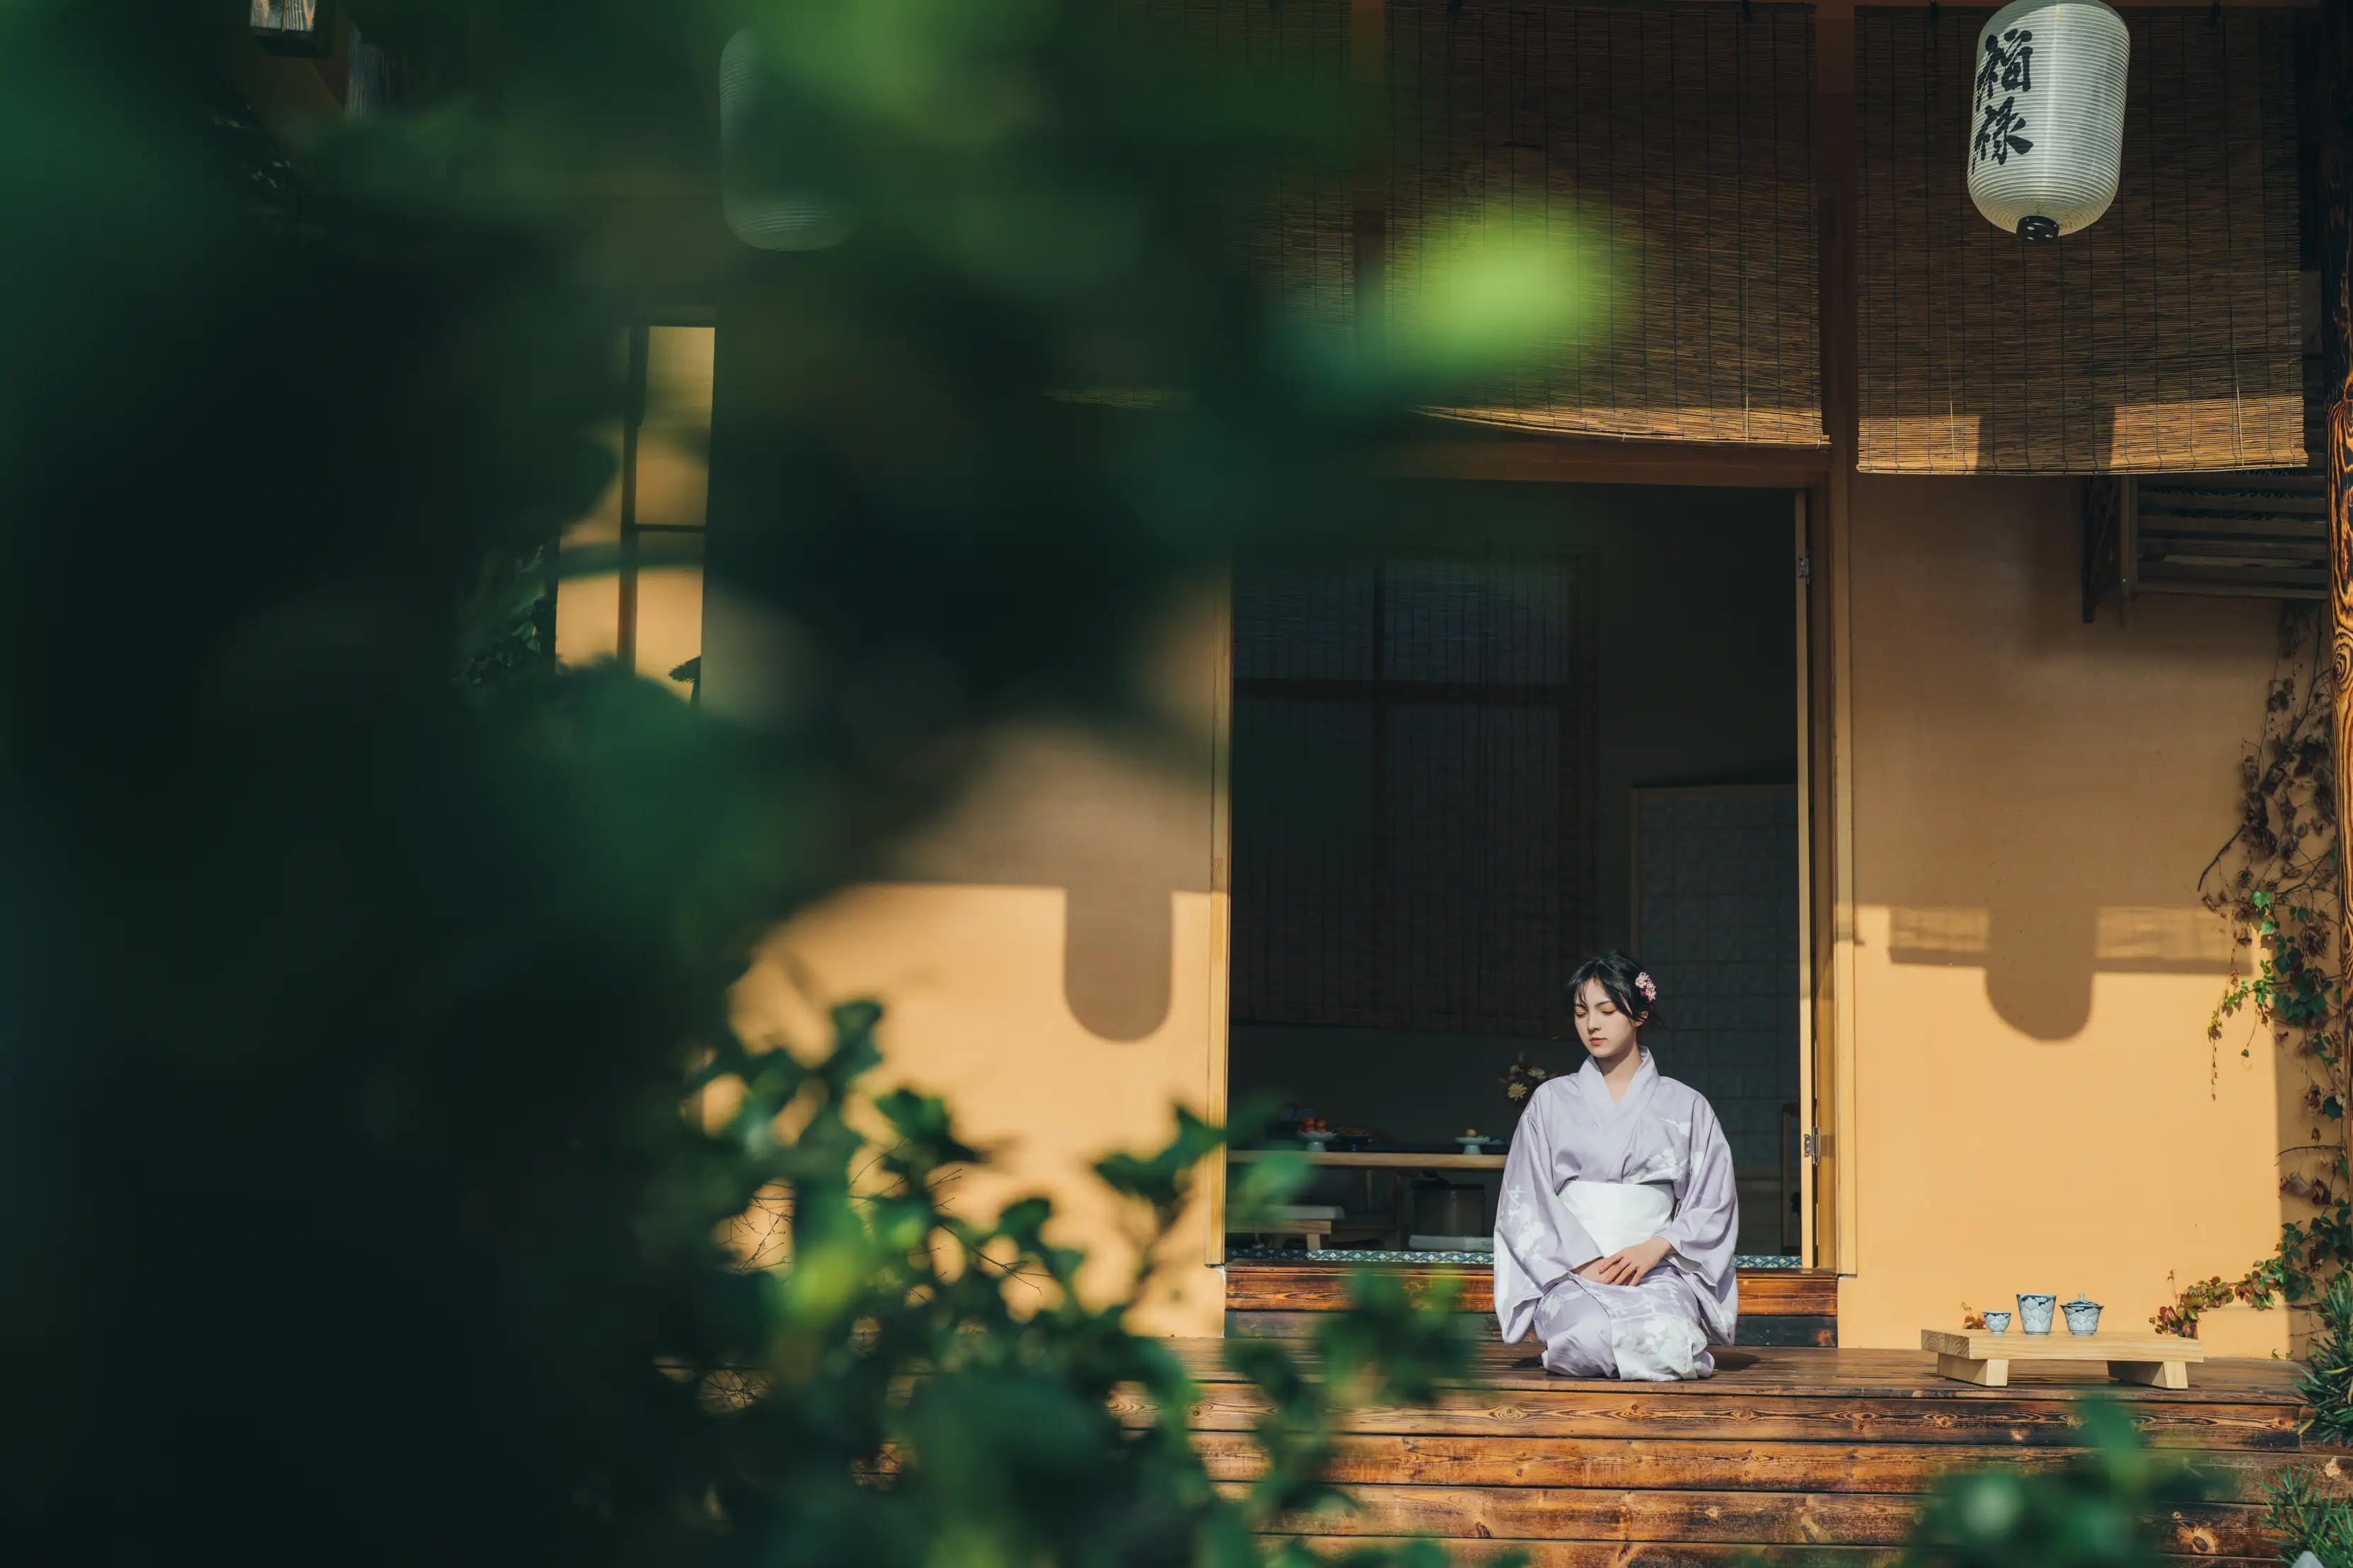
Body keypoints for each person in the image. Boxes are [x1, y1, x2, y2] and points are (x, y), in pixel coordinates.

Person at [1493, 951, 1738, 1379]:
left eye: (1607, 1010)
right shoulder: (1550, 1101)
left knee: (1666, 1336)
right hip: (1571, 1272)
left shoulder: (1687, 1105)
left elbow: (1714, 1201)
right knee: (1588, 1333)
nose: (1592, 1024)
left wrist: (1655, 1247)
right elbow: (1524, 1197)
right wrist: (1583, 1264)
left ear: (1640, 1013)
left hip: (1658, 1271)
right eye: (1581, 1012)